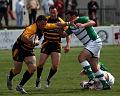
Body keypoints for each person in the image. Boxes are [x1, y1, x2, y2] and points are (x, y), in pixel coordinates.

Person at [57, 10, 111, 90]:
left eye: (68, 17)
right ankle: (105, 84)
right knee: (94, 68)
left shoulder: (81, 19)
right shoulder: (71, 26)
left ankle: (91, 78)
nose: (67, 19)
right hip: (92, 44)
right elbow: (63, 35)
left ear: (74, 16)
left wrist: (83, 25)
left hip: (94, 42)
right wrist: (60, 27)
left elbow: (93, 22)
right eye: (66, 17)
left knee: (81, 58)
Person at [7, 15, 48, 94]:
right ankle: (10, 76)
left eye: (45, 24)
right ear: (38, 22)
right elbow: (23, 37)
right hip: (19, 49)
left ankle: (20, 86)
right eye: (43, 24)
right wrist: (32, 42)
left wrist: (68, 23)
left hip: (29, 51)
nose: (44, 26)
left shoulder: (43, 27)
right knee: (17, 70)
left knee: (33, 68)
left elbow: (54, 25)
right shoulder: (31, 28)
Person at [35, 6, 71, 89]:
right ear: (49, 12)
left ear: (57, 12)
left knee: (55, 66)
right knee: (40, 64)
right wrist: (37, 38)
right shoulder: (45, 20)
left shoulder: (61, 22)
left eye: (54, 12)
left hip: (56, 44)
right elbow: (39, 30)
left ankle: (48, 79)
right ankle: (38, 79)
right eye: (51, 12)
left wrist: (68, 45)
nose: (53, 14)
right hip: (47, 44)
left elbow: (67, 34)